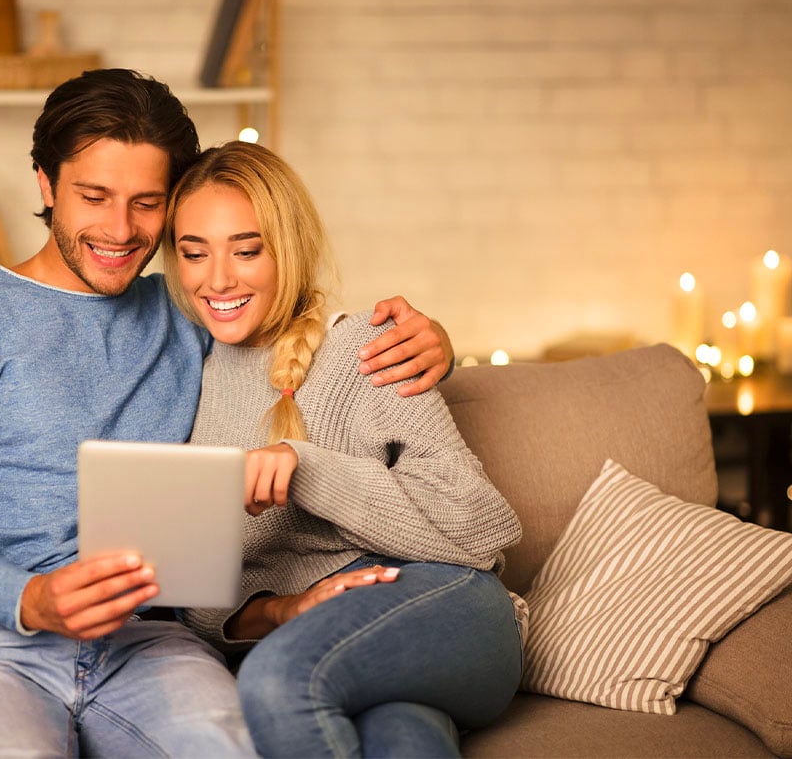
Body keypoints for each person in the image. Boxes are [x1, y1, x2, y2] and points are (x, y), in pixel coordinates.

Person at [0, 68, 454, 757]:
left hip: (153, 644)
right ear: (45, 184)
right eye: (95, 196)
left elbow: (298, 329)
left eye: (147, 203)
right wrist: (32, 599)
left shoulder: (188, 312)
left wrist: (431, 340)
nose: (120, 230)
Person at [164, 140, 526, 758]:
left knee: (280, 681)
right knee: (403, 741)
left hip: (447, 604)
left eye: (246, 250)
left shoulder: (365, 349)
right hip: (334, 640)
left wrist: (307, 468)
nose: (217, 279)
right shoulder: (187, 370)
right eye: (194, 253)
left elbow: (483, 536)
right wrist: (285, 610)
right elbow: (198, 606)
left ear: (290, 248)